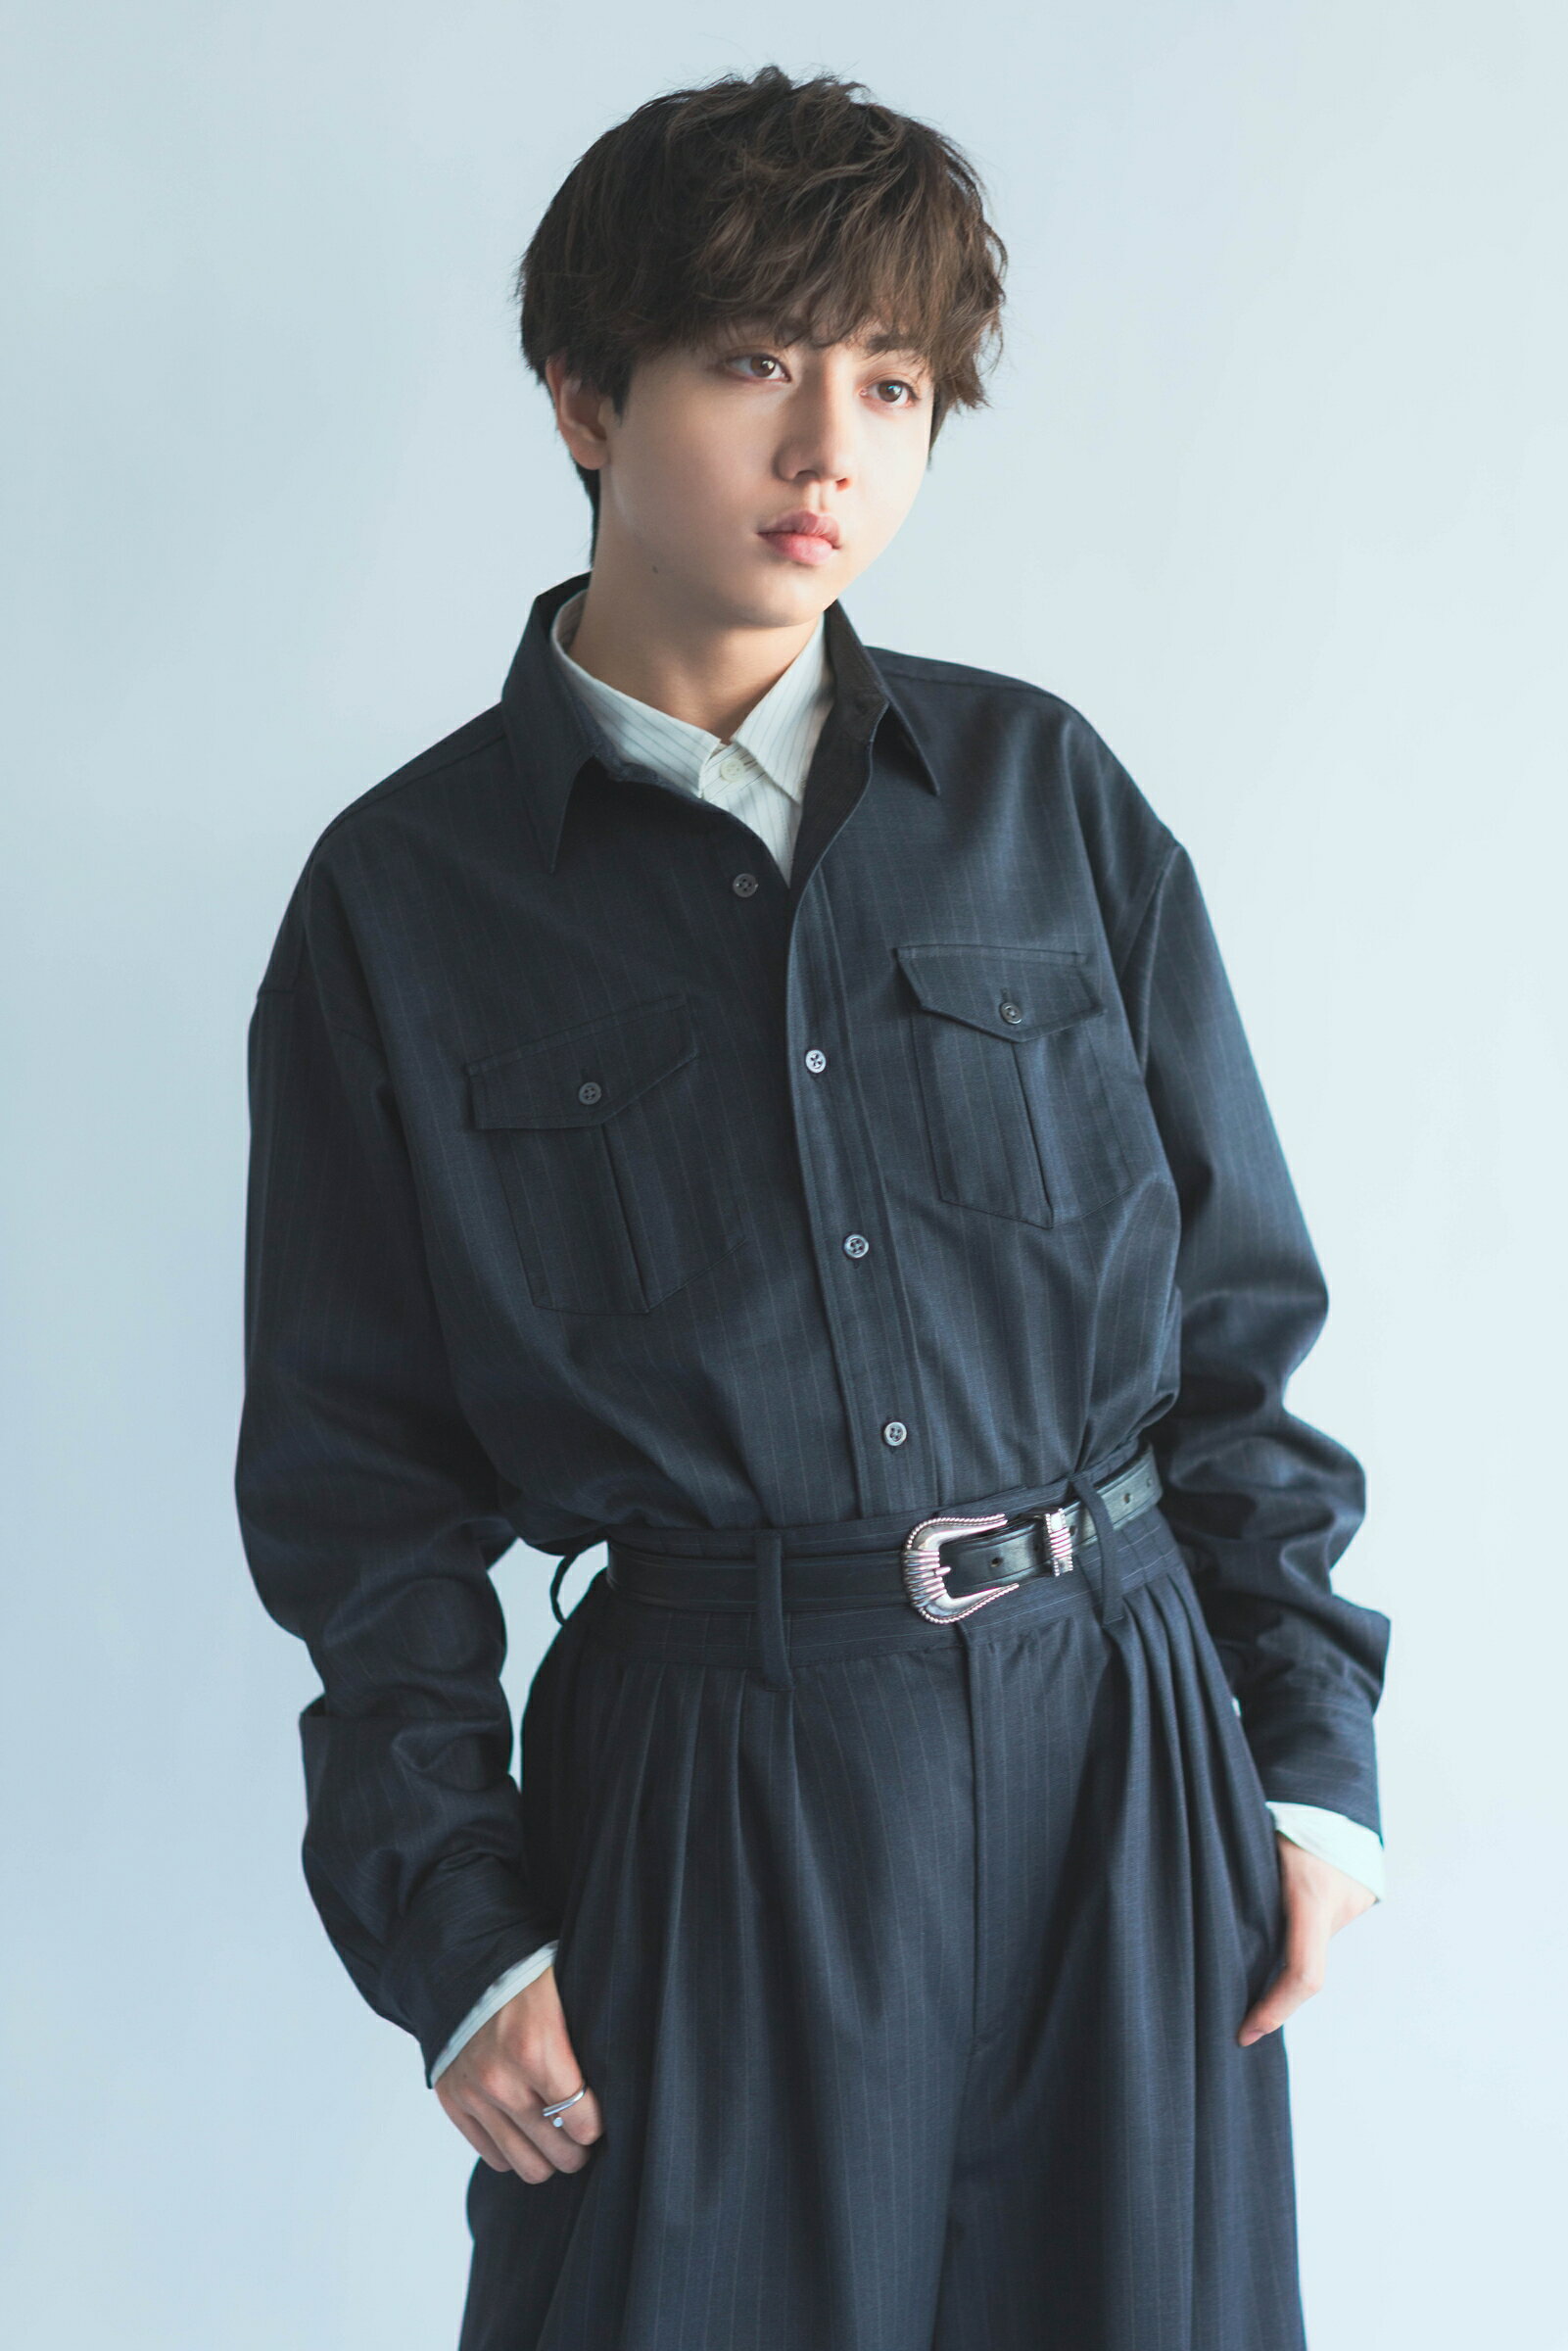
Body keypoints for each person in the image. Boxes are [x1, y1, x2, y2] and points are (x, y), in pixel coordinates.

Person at [234, 63, 1392, 2351]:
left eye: (891, 383)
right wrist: (454, 1920)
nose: (829, 450)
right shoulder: (405, 904)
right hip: (711, 1782)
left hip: (1121, 1744)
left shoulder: (1043, 800)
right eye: (756, 363)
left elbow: (1237, 1324)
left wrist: (1312, 1764)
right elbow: (360, 1491)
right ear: (584, 396)